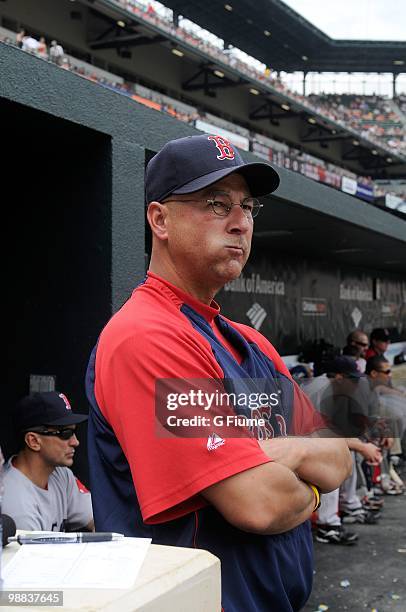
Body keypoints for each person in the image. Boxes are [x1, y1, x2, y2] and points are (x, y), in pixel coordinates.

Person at [86, 134, 351, 611]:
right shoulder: (147, 335)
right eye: (215, 203)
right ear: (159, 219)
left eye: (248, 207)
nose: (239, 223)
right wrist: (311, 490)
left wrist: (287, 449)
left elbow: (339, 458)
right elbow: (260, 503)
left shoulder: (248, 340)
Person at [2, 391, 94, 532]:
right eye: (65, 434)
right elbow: (33, 554)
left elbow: (96, 520)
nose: (75, 442)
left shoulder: (61, 475)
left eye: (74, 432)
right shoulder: (16, 501)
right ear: (33, 441)